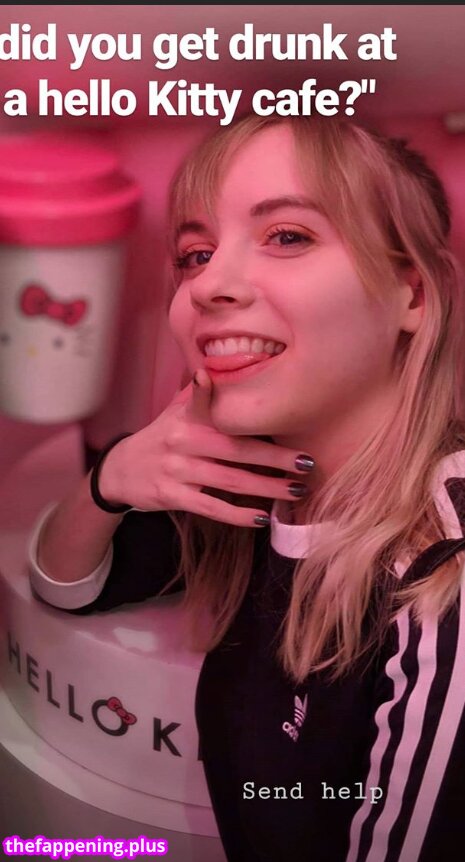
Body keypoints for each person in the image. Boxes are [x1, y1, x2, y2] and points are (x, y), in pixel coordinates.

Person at [28, 114, 465, 862]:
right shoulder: (251, 477)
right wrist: (111, 481)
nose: (208, 286)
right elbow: (65, 585)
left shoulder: (443, 580)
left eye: (287, 236)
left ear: (412, 295)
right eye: (194, 255)